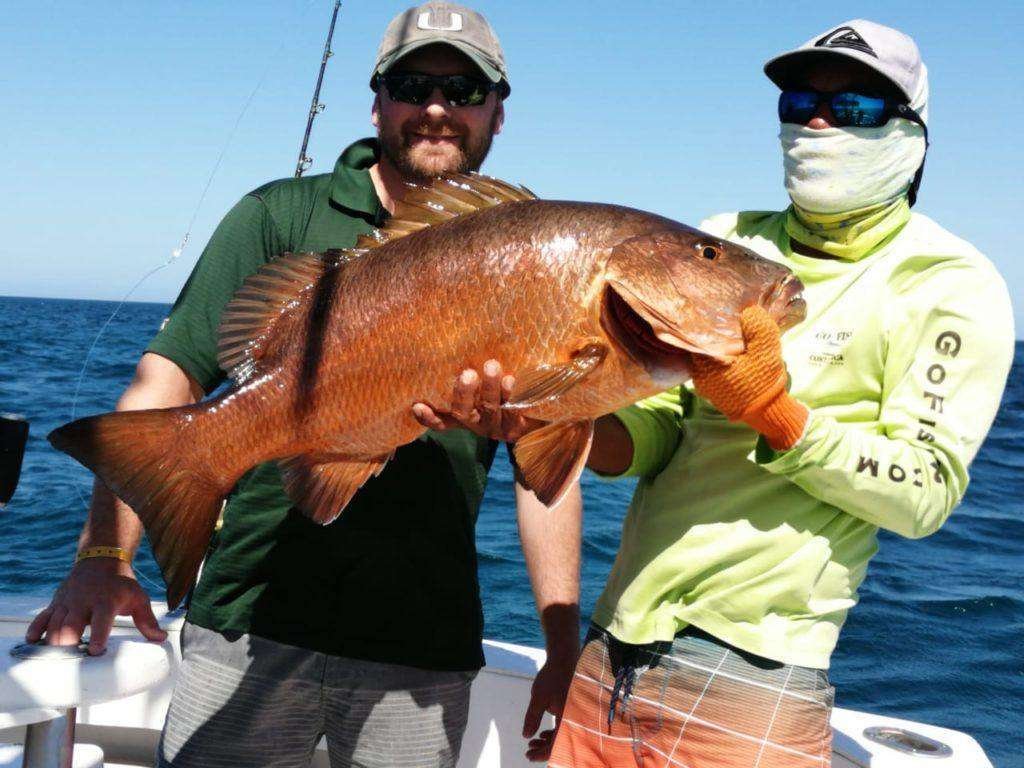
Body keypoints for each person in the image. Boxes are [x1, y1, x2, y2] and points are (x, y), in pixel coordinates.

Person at [414, 19, 1014, 766]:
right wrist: (543, 415)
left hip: (753, 679)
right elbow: (659, 434)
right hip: (613, 645)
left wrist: (776, 414)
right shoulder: (728, 238)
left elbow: (924, 494)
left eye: (854, 107)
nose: (819, 122)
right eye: (800, 102)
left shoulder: (949, 284)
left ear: (910, 132)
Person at [27, 4, 582, 767]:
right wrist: (101, 559)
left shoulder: (538, 257)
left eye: (463, 90)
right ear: (377, 98)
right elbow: (165, 380)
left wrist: (560, 642)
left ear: (497, 111)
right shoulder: (280, 216)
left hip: (421, 646)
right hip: (249, 622)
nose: (436, 108)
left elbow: (548, 470)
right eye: (413, 83)